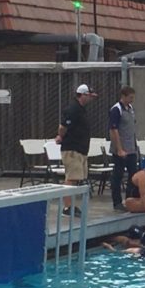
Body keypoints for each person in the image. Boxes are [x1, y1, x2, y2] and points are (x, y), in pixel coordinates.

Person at [55, 84, 97, 216]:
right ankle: (67, 207)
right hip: (72, 149)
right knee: (72, 177)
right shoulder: (73, 109)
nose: (91, 99)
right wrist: (60, 136)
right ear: (82, 95)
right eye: (89, 96)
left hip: (80, 149)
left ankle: (71, 205)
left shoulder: (81, 109)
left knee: (77, 177)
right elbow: (63, 126)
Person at [108, 86, 138, 212]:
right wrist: (119, 149)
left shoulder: (130, 109)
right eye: (130, 97)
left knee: (133, 175)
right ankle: (117, 202)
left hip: (131, 148)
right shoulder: (116, 110)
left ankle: (130, 200)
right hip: (120, 150)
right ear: (124, 96)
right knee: (118, 175)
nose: (132, 100)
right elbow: (113, 130)